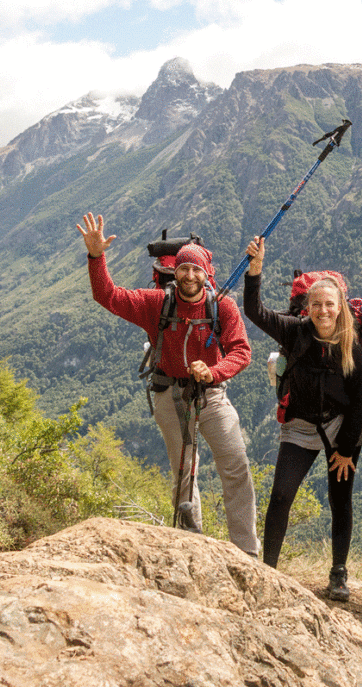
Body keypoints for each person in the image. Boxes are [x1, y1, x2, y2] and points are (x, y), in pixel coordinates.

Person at [76, 212, 259, 556]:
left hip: (211, 396)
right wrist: (96, 256)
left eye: (197, 270)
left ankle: (246, 552)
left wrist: (214, 372)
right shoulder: (156, 303)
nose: (190, 275)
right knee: (183, 472)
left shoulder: (223, 308)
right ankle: (193, 544)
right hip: (169, 396)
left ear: (207, 276)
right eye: (184, 269)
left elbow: (241, 352)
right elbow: (108, 296)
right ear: (175, 273)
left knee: (235, 465)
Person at [243, 236, 362, 601]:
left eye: (329, 304)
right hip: (300, 426)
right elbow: (255, 311)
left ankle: (338, 573)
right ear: (308, 307)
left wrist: (346, 449)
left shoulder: (353, 349)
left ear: (340, 306)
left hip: (339, 428)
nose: (323, 310)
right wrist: (256, 270)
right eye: (316, 304)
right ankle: (267, 570)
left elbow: (360, 404)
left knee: (339, 499)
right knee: (281, 496)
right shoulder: (295, 331)